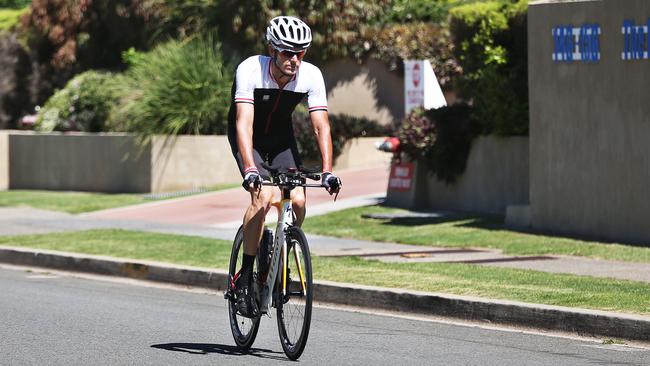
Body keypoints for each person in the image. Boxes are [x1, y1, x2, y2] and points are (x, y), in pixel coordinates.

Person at [227, 15, 341, 318]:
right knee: (263, 197)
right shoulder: (250, 69)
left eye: (300, 53)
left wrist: (328, 170)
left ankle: (282, 254)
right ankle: (245, 278)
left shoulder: (311, 75)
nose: (294, 59)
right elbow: (244, 123)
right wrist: (250, 168)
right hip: (249, 137)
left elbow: (321, 127)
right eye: (288, 52)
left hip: (280, 140)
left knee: (299, 200)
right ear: (272, 50)